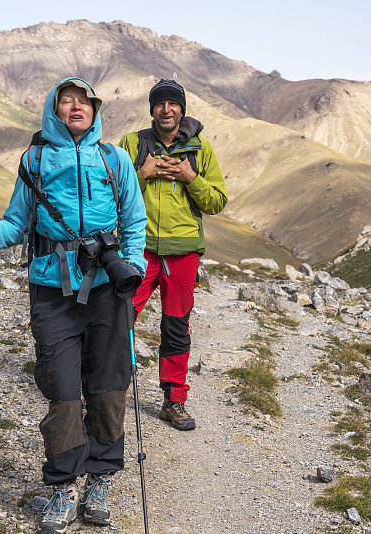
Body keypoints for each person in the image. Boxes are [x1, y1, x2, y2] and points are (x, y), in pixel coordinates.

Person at [0, 77, 148, 534]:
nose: (76, 107)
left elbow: (135, 222)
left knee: (108, 387)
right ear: (54, 109)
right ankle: (63, 486)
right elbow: (16, 225)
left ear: (96, 109)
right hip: (51, 290)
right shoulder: (35, 160)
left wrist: (132, 268)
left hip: (106, 288)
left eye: (84, 101)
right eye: (67, 101)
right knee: (60, 388)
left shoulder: (115, 159)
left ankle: (100, 479)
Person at [119, 79, 227, 431]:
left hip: (183, 254)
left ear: (182, 108)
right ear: (151, 109)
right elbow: (110, 191)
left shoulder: (201, 150)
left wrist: (190, 177)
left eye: (173, 103)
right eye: (160, 103)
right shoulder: (132, 144)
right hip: (138, 249)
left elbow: (216, 202)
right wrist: (143, 173)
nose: (166, 109)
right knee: (119, 318)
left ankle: (174, 400)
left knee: (176, 326)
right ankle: (106, 391)